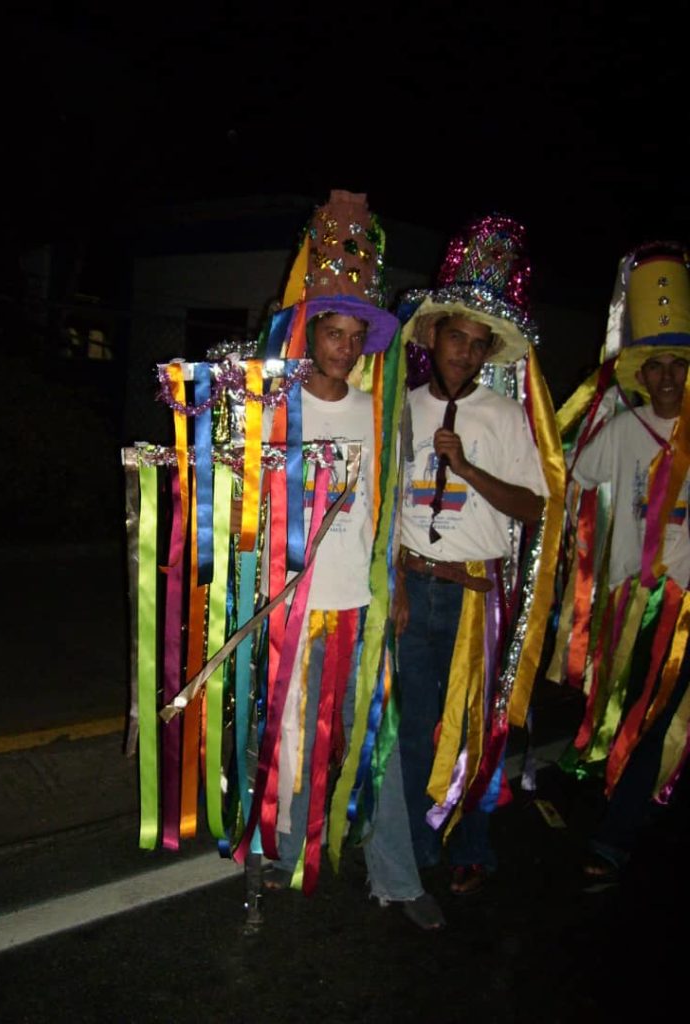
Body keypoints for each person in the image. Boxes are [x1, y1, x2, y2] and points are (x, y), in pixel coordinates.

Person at [236, 189, 448, 929]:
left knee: (377, 745)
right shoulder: (274, 410)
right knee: (289, 734)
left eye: (357, 334)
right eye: (335, 332)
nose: (347, 346)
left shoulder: (380, 413)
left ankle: (397, 877)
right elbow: (239, 508)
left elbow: (387, 509)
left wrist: (398, 587)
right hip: (288, 605)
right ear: (309, 333)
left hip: (360, 605)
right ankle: (286, 842)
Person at [385, 214, 563, 897]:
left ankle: (472, 843)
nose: (463, 351)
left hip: (470, 599)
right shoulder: (403, 408)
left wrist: (468, 468)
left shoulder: (503, 417)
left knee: (468, 729)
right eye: (455, 337)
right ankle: (415, 849)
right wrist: (396, 582)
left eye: (476, 343)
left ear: (487, 353)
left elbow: (533, 507)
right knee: (411, 733)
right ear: (433, 339)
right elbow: (391, 507)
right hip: (414, 593)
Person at [553, 241, 690, 884]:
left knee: (661, 718)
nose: (667, 377)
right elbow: (575, 475)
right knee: (634, 713)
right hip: (635, 603)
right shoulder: (626, 431)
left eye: (677, 366)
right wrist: (601, 415)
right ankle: (619, 817)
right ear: (644, 375)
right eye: (656, 366)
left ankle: (619, 829)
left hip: (688, 608)